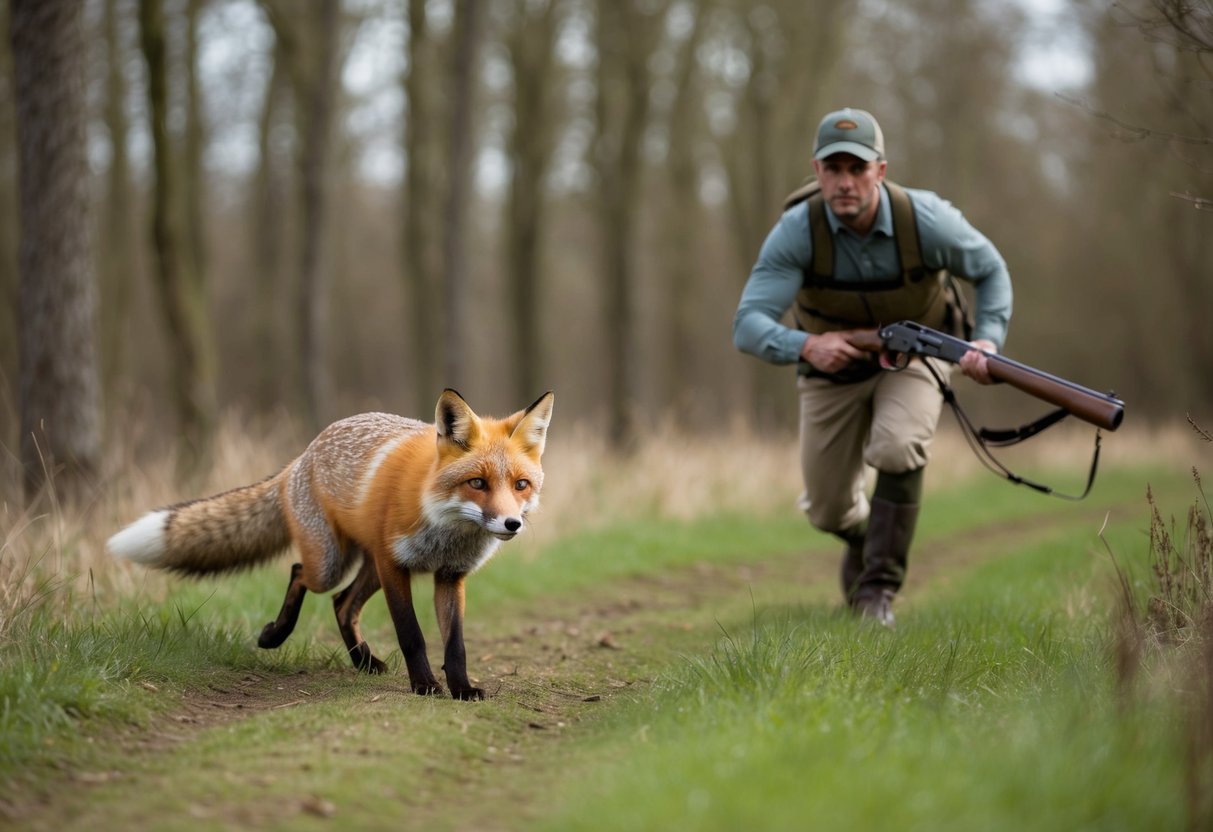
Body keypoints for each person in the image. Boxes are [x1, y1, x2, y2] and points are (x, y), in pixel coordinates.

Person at [732, 107, 1012, 627]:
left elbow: (991, 270)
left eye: (856, 169)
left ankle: (877, 592)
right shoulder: (797, 232)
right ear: (817, 172)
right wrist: (804, 345)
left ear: (880, 171)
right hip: (828, 370)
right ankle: (868, 538)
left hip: (916, 359)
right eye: (833, 169)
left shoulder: (925, 220)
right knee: (827, 510)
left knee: (898, 443)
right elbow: (747, 323)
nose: (844, 182)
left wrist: (987, 339)